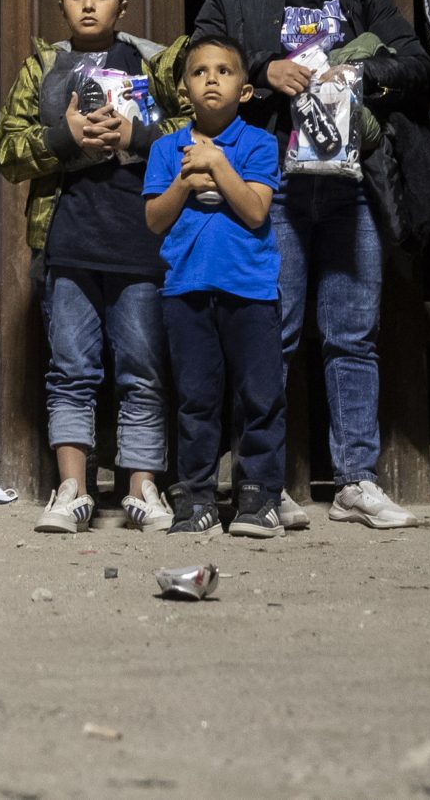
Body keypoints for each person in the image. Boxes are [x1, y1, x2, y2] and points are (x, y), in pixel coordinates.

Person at [192, 0, 430, 531]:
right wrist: (263, 68)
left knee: (354, 334)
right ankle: (262, 483)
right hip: (271, 180)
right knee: (273, 330)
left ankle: (356, 481)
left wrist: (356, 75)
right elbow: (196, 59)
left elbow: (414, 61)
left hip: (350, 181)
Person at [0, 0, 184, 534]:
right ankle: (71, 489)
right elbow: (6, 152)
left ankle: (143, 489)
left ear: (121, 5)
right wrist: (65, 136)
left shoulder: (152, 63)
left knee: (144, 369)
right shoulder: (43, 67)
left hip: (141, 241)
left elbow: (195, 130)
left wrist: (139, 132)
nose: (88, 4)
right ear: (62, 4)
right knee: (70, 368)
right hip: (67, 243)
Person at [144, 33, 286, 537]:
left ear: (244, 91)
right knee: (196, 398)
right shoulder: (166, 149)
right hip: (185, 289)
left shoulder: (260, 143)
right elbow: (155, 221)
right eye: (200, 72)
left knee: (259, 396)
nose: (211, 80)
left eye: (224, 72)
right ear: (184, 91)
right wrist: (184, 181)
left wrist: (217, 165)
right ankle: (197, 499)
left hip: (249, 289)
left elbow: (254, 210)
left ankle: (259, 498)